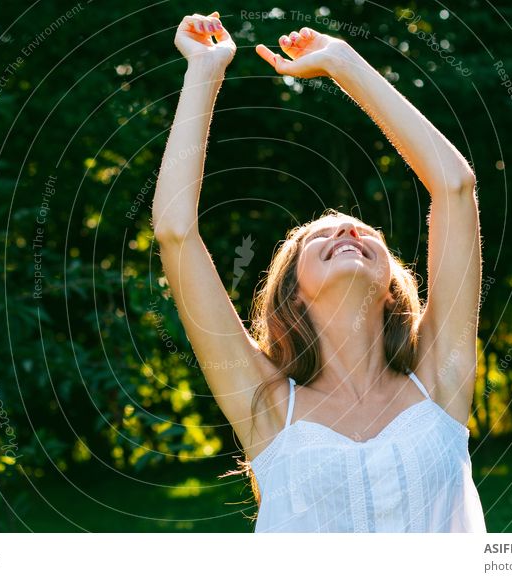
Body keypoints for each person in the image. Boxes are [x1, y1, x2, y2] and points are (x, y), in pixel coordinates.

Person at [152, 11, 486, 533]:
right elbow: (175, 233)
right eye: (320, 237)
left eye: (364, 232)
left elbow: (455, 187)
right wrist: (204, 70)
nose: (348, 233)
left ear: (391, 288)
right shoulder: (265, 406)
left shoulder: (439, 383)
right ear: (294, 294)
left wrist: (343, 63)